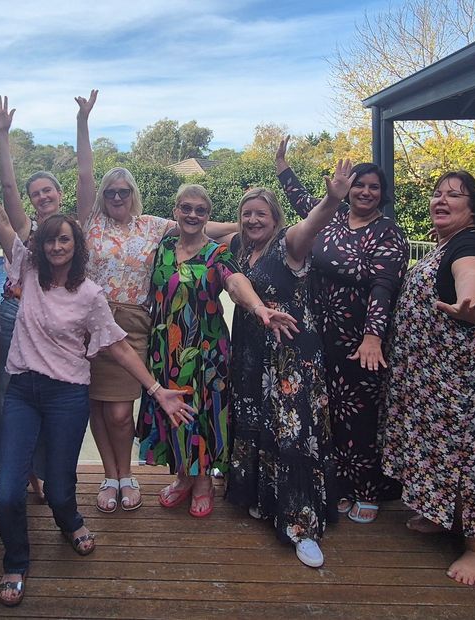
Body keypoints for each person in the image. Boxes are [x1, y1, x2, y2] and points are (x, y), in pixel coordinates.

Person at [0, 136, 194, 607]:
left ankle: (70, 520)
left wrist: (157, 390)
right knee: (7, 493)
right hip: (23, 394)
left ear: (78, 245)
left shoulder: (89, 294)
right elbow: (8, 206)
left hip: (67, 393)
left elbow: (115, 344)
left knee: (60, 486)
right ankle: (16, 561)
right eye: (48, 239)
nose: (55, 245)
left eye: (64, 239)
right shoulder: (27, 271)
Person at [74, 91, 237, 512]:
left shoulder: (153, 227)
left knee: (121, 413)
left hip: (134, 325)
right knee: (98, 405)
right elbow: (85, 173)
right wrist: (83, 122)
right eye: (111, 191)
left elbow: (202, 224)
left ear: (134, 194)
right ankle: (110, 478)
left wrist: (256, 222)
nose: (116, 197)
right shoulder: (90, 222)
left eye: (123, 191)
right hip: (90, 323)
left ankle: (127, 473)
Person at [380, 170, 475, 587]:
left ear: (473, 208)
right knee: (435, 450)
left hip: (464, 386)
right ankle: (444, 516)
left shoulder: (472, 242)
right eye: (437, 193)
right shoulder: (444, 243)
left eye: (454, 195)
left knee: (469, 458)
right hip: (432, 381)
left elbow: (473, 276)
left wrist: (471, 303)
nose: (441, 200)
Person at [138, 184, 299, 519]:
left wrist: (258, 308)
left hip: (204, 350)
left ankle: (202, 484)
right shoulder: (165, 245)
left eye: (200, 210)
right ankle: (183, 477)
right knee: (174, 413)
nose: (193, 215)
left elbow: (236, 282)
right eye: (186, 208)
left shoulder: (217, 254)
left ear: (208, 216)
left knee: (201, 415)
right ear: (176, 211)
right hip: (165, 349)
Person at [223, 164, 355, 569]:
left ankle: (303, 526)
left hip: (290, 357)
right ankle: (263, 501)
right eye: (247, 213)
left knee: (292, 433)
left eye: (261, 213)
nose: (253, 219)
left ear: (276, 218)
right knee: (257, 424)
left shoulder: (288, 245)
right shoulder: (240, 248)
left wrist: (332, 199)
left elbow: (312, 224)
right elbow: (204, 231)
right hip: (251, 351)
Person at [274, 139, 408, 524]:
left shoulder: (388, 233)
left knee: (360, 415)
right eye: (359, 185)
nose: (365, 192)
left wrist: (373, 336)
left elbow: (384, 286)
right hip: (321, 334)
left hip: (362, 340)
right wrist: (283, 166)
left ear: (382, 195)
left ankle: (368, 488)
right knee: (330, 410)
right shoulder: (331, 219)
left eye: (373, 187)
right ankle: (343, 486)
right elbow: (302, 202)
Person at [0, 95, 54, 502]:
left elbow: (87, 176)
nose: (42, 196)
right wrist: (3, 136)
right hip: (15, 315)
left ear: (59, 193)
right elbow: (5, 194)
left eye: (47, 191)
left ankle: (39, 471)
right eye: (35, 193)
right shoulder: (23, 232)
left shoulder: (75, 230)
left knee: (49, 397)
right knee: (8, 397)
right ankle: (13, 471)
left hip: (55, 323)